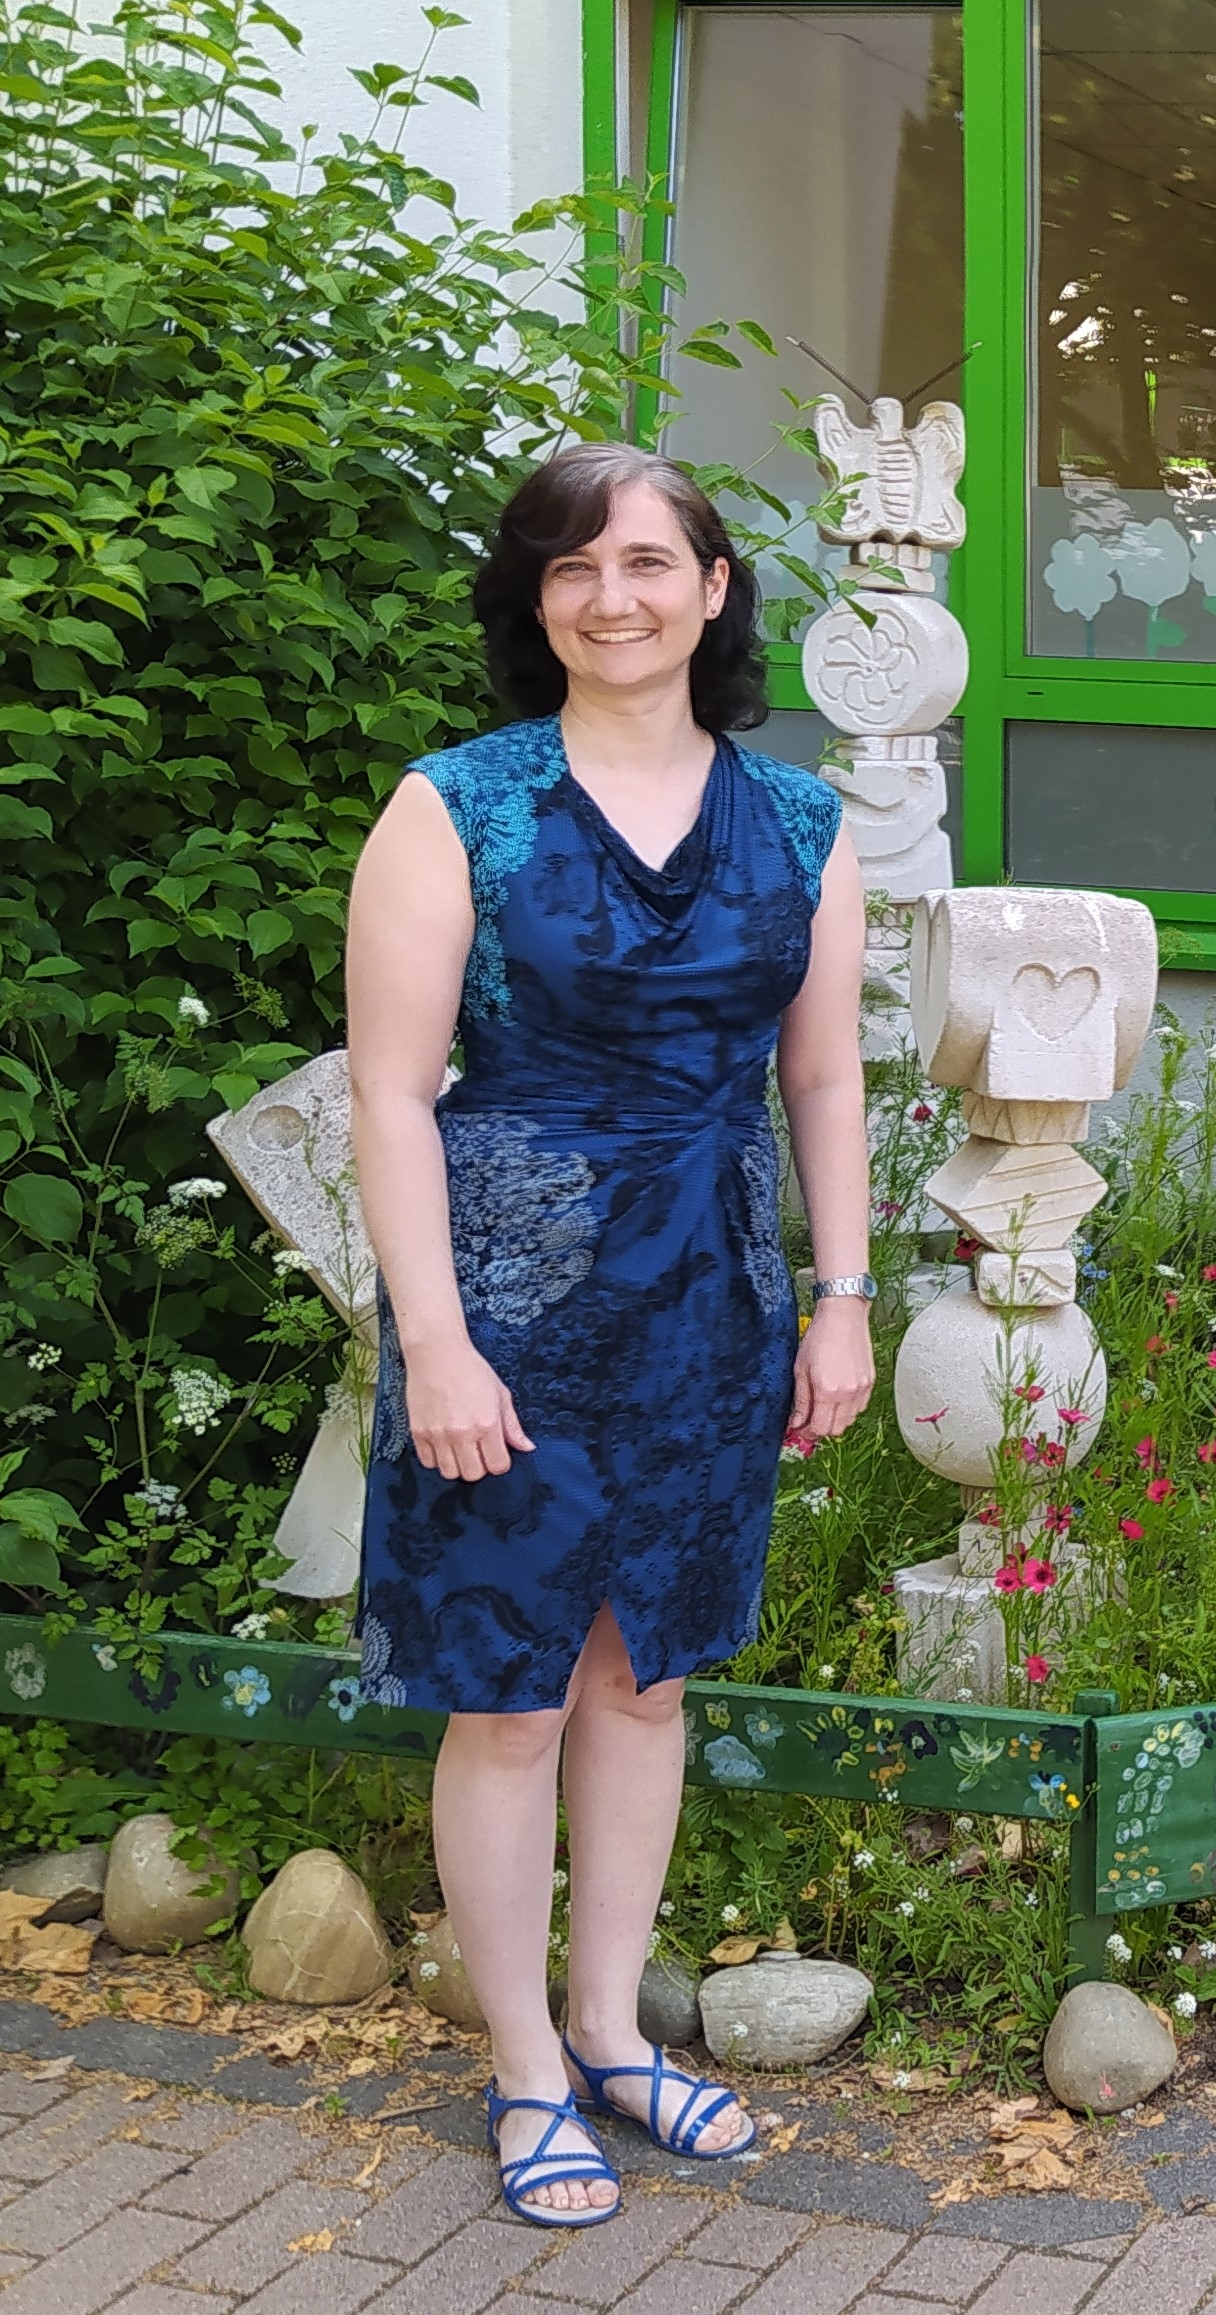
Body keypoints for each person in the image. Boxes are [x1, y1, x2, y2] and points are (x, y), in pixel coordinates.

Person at [346, 444, 876, 2223]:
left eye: (650, 562)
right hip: (504, 1309)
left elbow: (824, 1074)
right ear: (536, 600)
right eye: (573, 568)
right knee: (505, 1702)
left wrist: (847, 1296)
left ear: (715, 589)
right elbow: (394, 1097)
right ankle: (518, 2071)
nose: (613, 596)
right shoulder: (458, 804)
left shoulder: (802, 824)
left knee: (643, 1681)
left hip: (712, 1309)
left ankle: (613, 2032)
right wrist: (432, 1337)